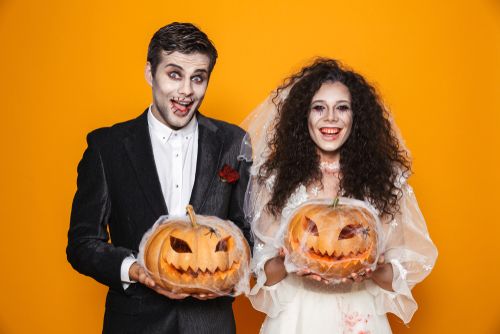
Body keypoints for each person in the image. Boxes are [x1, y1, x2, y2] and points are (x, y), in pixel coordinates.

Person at [67, 22, 251, 334]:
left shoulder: (234, 142)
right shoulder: (107, 147)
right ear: (150, 73)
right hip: (135, 322)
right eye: (174, 74)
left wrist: (230, 278)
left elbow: (248, 234)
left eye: (198, 78)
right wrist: (134, 269)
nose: (186, 91)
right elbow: (83, 243)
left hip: (210, 324)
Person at [241, 58, 437, 333]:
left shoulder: (384, 183)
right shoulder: (276, 182)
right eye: (318, 108)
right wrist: (288, 263)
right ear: (303, 117)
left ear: (356, 118)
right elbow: (262, 275)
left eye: (341, 108)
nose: (330, 118)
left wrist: (372, 270)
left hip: (359, 317)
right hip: (295, 318)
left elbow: (399, 274)